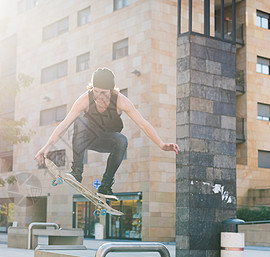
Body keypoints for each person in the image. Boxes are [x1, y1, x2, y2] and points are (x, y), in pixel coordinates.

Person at [35, 67, 179, 196]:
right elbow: (64, 124)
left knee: (122, 140)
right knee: (79, 122)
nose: (99, 96)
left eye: (103, 93)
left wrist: (161, 144)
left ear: (111, 90)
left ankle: (105, 185)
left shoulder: (121, 101)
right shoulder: (85, 99)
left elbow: (143, 124)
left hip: (107, 141)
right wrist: (46, 146)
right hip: (86, 139)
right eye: (95, 91)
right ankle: (76, 172)